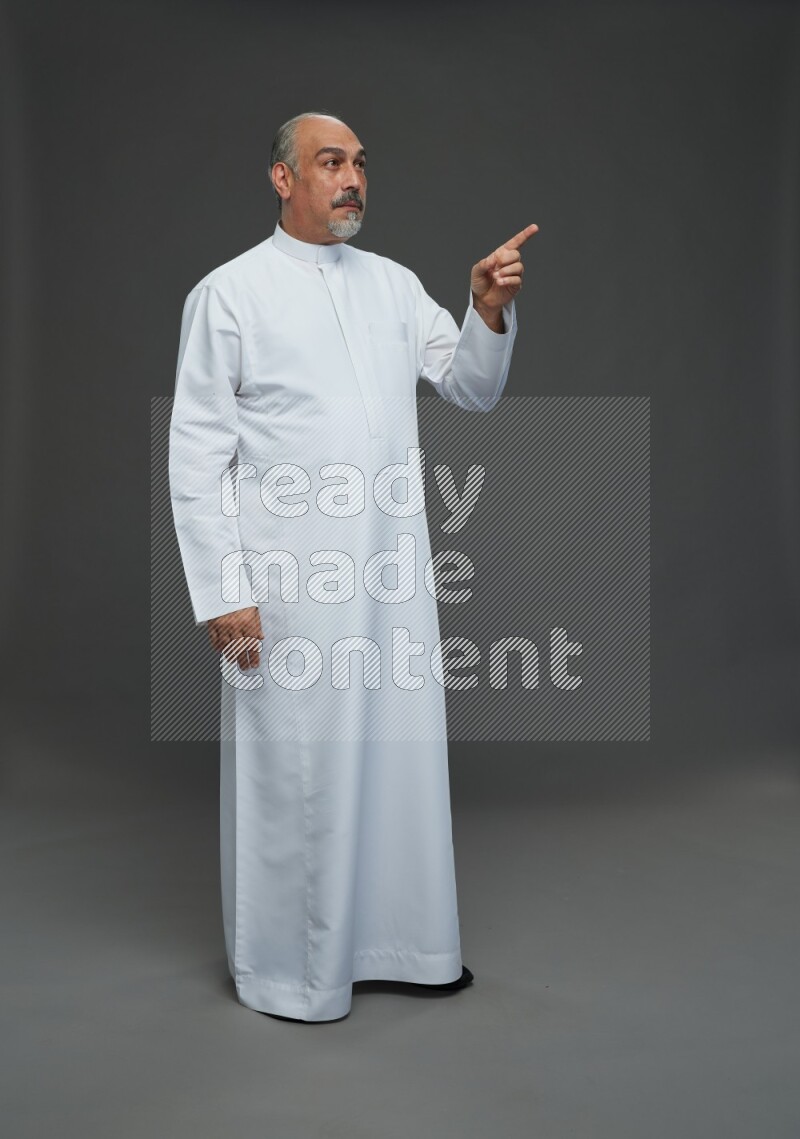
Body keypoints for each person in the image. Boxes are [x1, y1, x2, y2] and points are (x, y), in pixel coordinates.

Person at [168, 110, 537, 1022]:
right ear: (282, 179)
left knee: (395, 760)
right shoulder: (230, 294)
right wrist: (224, 593)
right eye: (330, 162)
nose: (352, 179)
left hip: (390, 577)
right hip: (288, 587)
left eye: (361, 164)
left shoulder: (394, 286)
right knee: (299, 770)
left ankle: (411, 947)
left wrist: (485, 307)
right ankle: (295, 974)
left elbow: (471, 387)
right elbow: (195, 454)